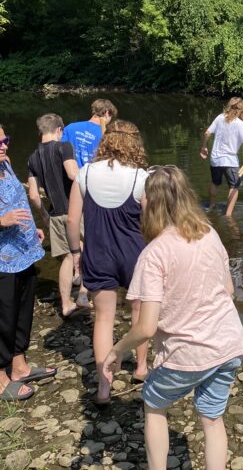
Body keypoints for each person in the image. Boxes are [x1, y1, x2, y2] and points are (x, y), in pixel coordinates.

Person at [102, 166, 243, 470]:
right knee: (212, 419)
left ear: (148, 203)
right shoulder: (210, 233)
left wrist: (115, 351)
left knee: (153, 406)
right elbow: (228, 290)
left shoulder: (154, 253)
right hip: (228, 344)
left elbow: (146, 327)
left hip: (187, 353)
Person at [67, 120, 148, 404]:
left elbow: (72, 220)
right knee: (139, 312)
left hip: (98, 254)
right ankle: (140, 368)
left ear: (106, 141)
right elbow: (151, 223)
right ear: (134, 143)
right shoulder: (141, 177)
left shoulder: (85, 173)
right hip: (134, 255)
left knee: (103, 319)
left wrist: (76, 252)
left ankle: (104, 385)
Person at [0, 125, 56, 401]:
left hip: (23, 251)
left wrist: (30, 229)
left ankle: (19, 366)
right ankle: (0, 379)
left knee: (23, 311)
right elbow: (6, 213)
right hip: (2, 261)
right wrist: (2, 221)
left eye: (5, 140)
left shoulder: (5, 166)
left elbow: (18, 200)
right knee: (3, 318)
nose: (4, 146)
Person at [27, 113, 89, 317]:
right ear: (59, 130)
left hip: (54, 213)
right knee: (87, 249)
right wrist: (93, 174)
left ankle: (65, 304)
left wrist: (45, 216)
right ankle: (82, 295)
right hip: (75, 210)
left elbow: (34, 196)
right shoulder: (64, 147)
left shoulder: (33, 158)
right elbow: (73, 174)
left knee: (68, 258)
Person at [200, 98, 243, 217]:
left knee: (214, 182)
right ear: (241, 110)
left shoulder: (219, 117)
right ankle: (228, 215)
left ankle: (211, 206)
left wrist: (204, 147)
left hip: (215, 159)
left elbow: (207, 133)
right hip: (230, 161)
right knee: (234, 187)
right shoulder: (240, 124)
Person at [62, 98, 118, 168]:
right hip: (90, 176)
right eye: (111, 116)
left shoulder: (70, 127)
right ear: (107, 113)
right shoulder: (106, 135)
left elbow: (60, 148)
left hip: (69, 172)